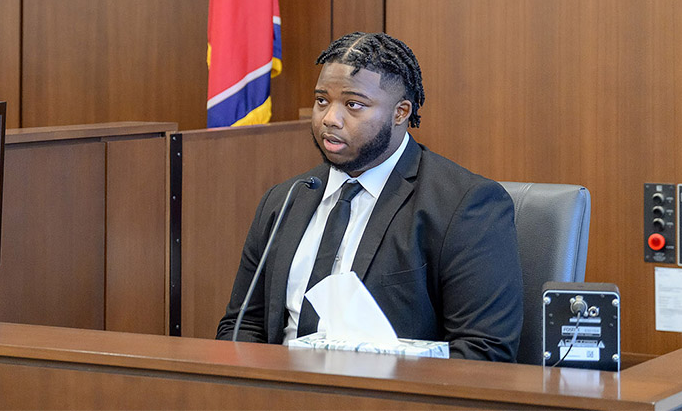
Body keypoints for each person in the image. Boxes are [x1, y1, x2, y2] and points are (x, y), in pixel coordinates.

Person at [216, 32, 522, 360]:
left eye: (353, 105)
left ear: (400, 112)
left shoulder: (465, 206)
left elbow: (483, 351)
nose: (330, 119)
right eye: (322, 101)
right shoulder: (285, 199)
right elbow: (241, 324)